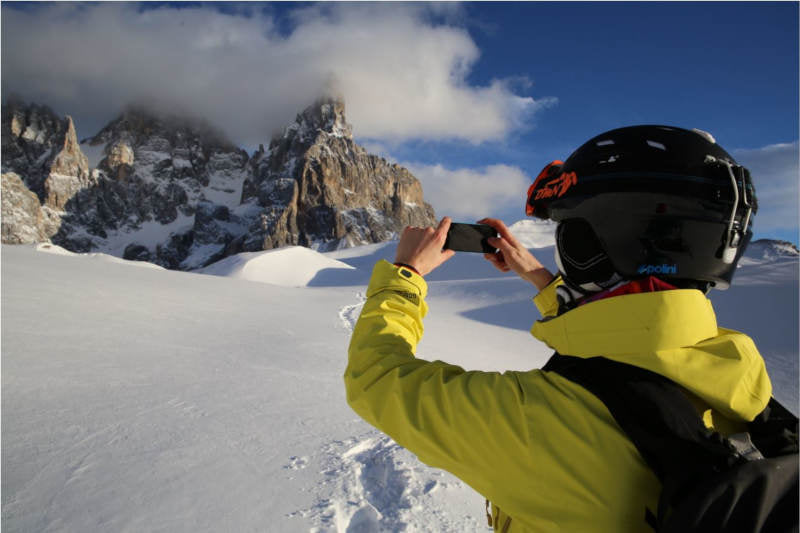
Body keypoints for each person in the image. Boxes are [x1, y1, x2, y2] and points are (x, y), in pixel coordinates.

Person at [343, 126, 781, 532]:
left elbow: (376, 379)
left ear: (585, 247)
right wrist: (543, 281)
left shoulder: (532, 421)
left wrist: (406, 275)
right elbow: (636, 338)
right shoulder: (740, 374)